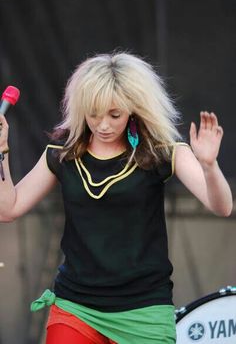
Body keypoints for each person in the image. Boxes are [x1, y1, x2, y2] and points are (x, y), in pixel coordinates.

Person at [0, 52, 232, 344]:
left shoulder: (164, 152)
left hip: (145, 308)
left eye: (115, 114)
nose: (103, 125)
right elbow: (8, 209)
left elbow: (221, 206)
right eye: (94, 113)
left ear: (133, 110)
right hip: (76, 306)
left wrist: (210, 166)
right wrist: (2, 150)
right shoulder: (62, 155)